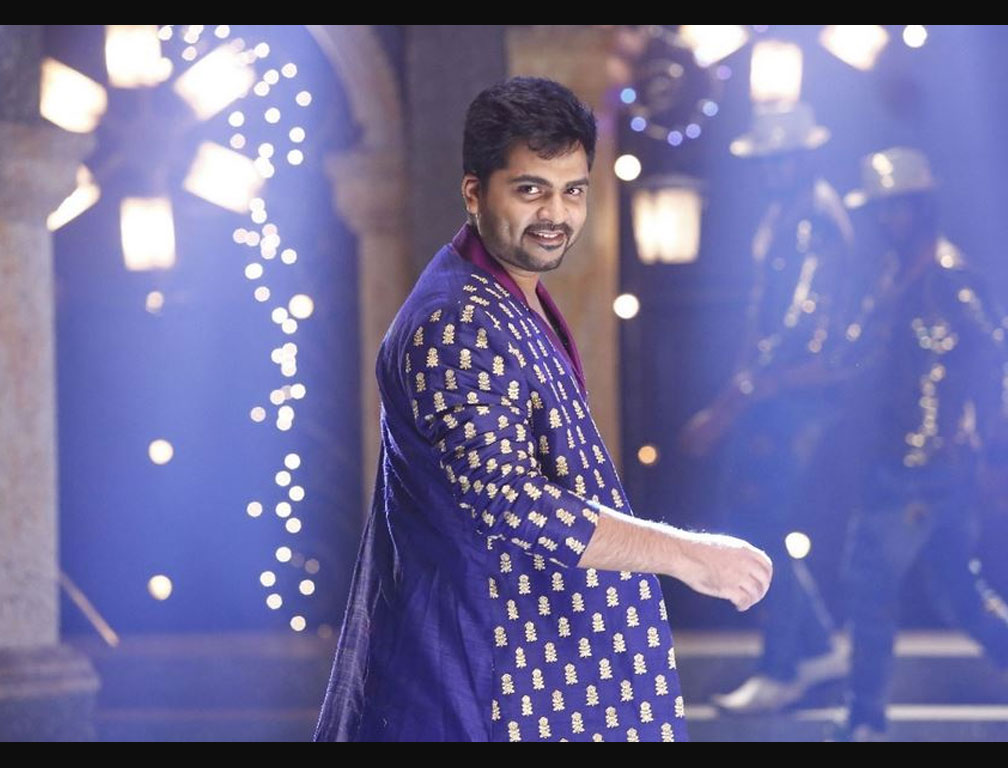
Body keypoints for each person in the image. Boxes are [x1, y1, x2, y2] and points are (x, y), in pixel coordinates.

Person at [312, 76, 773, 742]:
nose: (556, 214)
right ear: (475, 193)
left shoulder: (510, 295)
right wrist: (688, 555)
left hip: (525, 672)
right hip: (470, 682)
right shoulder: (456, 321)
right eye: (530, 189)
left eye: (573, 191)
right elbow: (509, 501)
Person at [832, 146, 1008, 741]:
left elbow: (1001, 356)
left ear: (923, 206)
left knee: (871, 586)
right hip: (904, 462)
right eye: (881, 209)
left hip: (922, 466)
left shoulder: (949, 274)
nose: (889, 219)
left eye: (899, 206)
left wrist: (995, 448)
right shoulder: (893, 276)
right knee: (957, 588)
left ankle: (864, 718)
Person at [682, 103, 854, 714]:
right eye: (767, 161)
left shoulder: (812, 218)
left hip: (791, 395)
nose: (771, 170)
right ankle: (815, 647)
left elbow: (801, 325)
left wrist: (735, 399)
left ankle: (785, 666)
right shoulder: (795, 211)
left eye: (781, 159)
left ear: (803, 157)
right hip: (779, 392)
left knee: (759, 527)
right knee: (758, 524)